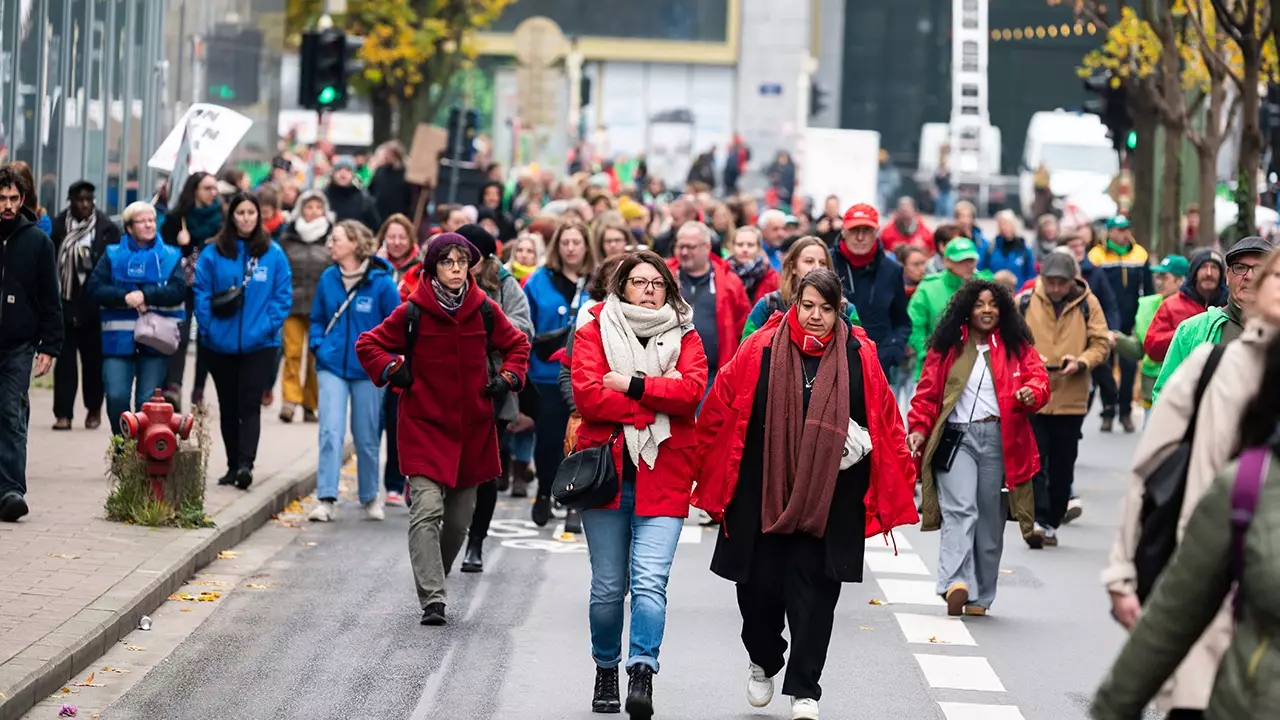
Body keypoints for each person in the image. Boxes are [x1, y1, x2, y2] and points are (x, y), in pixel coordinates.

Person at [692, 269, 917, 720]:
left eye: (827, 309)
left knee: (816, 596)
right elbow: (720, 405)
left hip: (832, 496)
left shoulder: (859, 354)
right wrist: (701, 467)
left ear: (839, 312)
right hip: (760, 491)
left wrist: (898, 468)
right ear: (794, 304)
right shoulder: (761, 347)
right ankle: (764, 659)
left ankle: (805, 689)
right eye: (808, 306)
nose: (816, 317)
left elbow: (884, 417)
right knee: (756, 593)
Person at [1099, 248, 1280, 719]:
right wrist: (1123, 573)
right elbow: (1151, 468)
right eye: (1246, 269)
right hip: (1205, 549)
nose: (1256, 277)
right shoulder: (1207, 355)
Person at [356, 233, 530, 626]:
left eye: (461, 261)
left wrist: (506, 378)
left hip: (473, 431)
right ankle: (433, 598)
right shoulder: (413, 311)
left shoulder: (484, 309)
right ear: (432, 267)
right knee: (427, 510)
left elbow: (518, 345)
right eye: (447, 262)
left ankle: (436, 573)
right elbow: (369, 345)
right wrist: (395, 371)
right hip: (424, 425)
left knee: (457, 522)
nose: (455, 268)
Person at [568, 251, 708, 717]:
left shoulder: (686, 336)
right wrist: (651, 404)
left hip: (664, 475)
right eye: (639, 282)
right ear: (621, 288)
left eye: (657, 283)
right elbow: (588, 395)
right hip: (604, 477)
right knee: (608, 587)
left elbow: (690, 393)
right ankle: (606, 665)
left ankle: (642, 670)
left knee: (650, 583)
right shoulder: (594, 329)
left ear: (669, 290)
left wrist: (628, 385)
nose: (649, 289)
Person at [907, 280, 1049, 615]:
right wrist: (917, 428)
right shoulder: (947, 347)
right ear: (966, 309)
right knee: (960, 510)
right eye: (979, 304)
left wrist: (1032, 393)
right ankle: (954, 581)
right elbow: (927, 395)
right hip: (956, 439)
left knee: (989, 519)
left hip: (1001, 440)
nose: (986, 310)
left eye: (993, 304)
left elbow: (1039, 380)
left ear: (1003, 310)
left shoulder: (1017, 346)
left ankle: (981, 596)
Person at [193, 192, 292, 491]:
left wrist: (267, 326)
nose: (246, 218)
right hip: (219, 344)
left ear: (258, 216)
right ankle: (232, 464)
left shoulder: (272, 253)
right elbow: (201, 292)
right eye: (240, 213)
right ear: (231, 216)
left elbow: (282, 295)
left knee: (249, 403)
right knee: (228, 405)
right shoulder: (213, 252)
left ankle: (246, 465)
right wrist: (208, 328)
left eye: (251, 212)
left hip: (260, 345)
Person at [305, 221, 399, 522]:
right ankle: (327, 498)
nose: (330, 245)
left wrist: (385, 360)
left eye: (336, 240)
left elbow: (396, 326)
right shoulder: (328, 277)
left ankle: (370, 496)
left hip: (369, 370)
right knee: (330, 431)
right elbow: (317, 317)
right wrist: (319, 345)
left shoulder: (382, 282)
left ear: (355, 244)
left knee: (367, 434)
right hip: (331, 364)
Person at [1017, 252, 1110, 547]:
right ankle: (1039, 521)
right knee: (1036, 462)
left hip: (1071, 396)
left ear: (1072, 280)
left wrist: (1081, 362)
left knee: (1062, 466)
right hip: (1035, 394)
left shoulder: (1088, 303)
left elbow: (1101, 342)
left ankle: (1053, 518)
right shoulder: (1026, 300)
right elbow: (1010, 340)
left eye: (1061, 283)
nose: (1055, 288)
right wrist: (1031, 359)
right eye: (1050, 282)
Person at [455, 223, 533, 572]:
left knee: (486, 471)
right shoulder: (443, 278)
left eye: (469, 256)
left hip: (493, 388)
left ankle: (476, 542)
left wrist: (487, 324)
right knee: (450, 468)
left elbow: (524, 328)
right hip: (450, 388)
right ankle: (449, 530)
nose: (460, 263)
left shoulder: (504, 284)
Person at [86, 201, 185, 435]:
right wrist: (124, 296)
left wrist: (146, 295)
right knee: (117, 396)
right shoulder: (112, 255)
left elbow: (179, 290)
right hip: (117, 341)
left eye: (152, 220)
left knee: (146, 400)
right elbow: (94, 288)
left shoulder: (170, 256)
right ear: (129, 227)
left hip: (156, 340)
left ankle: (142, 455)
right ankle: (122, 447)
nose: (150, 225)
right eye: (143, 221)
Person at [0, 166, 63, 522]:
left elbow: (49, 298)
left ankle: (11, 489)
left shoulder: (38, 242)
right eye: (2, 199)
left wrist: (50, 346)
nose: (7, 205)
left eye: (13, 199)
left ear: (23, 199)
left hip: (19, 344)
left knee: (11, 412)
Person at [524, 220, 597, 526]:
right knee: (549, 440)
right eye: (565, 242)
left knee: (580, 440)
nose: (570, 248)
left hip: (585, 373)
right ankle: (543, 490)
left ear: (586, 246)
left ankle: (572, 501)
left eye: (576, 242)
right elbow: (525, 326)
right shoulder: (538, 280)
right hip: (545, 372)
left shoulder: (596, 281)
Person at [1154, 236, 1275, 401]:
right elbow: (1165, 397)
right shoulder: (1191, 330)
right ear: (1227, 275)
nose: (1249, 276)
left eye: (1260, 269)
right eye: (1240, 268)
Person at [50, 180, 119, 431]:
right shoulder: (58, 227)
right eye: (79, 200)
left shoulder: (106, 228)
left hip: (95, 304)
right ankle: (63, 414)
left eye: (89, 199)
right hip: (65, 301)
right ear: (71, 201)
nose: (84, 204)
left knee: (93, 363)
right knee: (65, 363)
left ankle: (93, 408)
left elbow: (114, 266)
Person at [160, 172, 222, 411]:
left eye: (214, 188)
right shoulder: (178, 217)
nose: (213, 193)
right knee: (180, 334)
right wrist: (180, 243)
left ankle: (198, 390)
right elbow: (164, 249)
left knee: (206, 335)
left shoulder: (220, 219)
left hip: (211, 285)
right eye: (207, 188)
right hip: (182, 284)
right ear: (194, 189)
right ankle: (173, 386)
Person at [1087, 215, 1154, 433]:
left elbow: (1149, 290)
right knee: (1104, 370)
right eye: (1119, 230)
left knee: (1128, 368)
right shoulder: (1096, 256)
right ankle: (1108, 412)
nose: (1125, 234)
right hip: (1103, 322)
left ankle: (1125, 413)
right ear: (1109, 232)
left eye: (1127, 229)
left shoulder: (1140, 254)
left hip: (1131, 321)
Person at [667, 221, 751, 391]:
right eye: (680, 246)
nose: (684, 252)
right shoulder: (664, 276)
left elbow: (743, 328)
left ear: (707, 247)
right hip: (671, 372)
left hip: (715, 376)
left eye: (690, 247)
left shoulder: (730, 282)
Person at [830, 203, 912, 377]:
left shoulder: (892, 271)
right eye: (854, 230)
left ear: (877, 232)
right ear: (843, 231)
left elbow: (902, 322)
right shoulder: (826, 264)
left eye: (866, 230)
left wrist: (892, 352)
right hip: (831, 366)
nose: (860, 237)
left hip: (877, 369)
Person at [277, 190, 334, 424]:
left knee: (314, 357)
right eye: (308, 207)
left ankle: (311, 404)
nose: (313, 212)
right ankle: (290, 401)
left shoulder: (332, 238)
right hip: (293, 304)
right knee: (292, 353)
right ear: (301, 209)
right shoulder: (288, 237)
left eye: (317, 207)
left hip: (320, 309)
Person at [743, 236, 860, 339]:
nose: (817, 267)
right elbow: (748, 351)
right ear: (793, 267)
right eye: (809, 261)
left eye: (823, 263)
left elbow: (859, 351)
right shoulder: (768, 305)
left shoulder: (845, 309)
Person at [908, 237, 984, 378]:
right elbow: (914, 325)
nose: (968, 265)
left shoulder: (986, 286)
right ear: (947, 262)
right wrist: (925, 354)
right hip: (935, 370)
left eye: (971, 260)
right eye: (961, 261)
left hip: (977, 370)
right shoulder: (928, 288)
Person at [1143, 249, 1228, 364]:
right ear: (1194, 273)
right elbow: (1152, 347)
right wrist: (1186, 333)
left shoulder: (1230, 307)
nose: (1209, 273)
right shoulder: (1170, 305)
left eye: (1214, 267)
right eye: (1203, 267)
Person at [1130, 255, 1189, 420]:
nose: (1159, 282)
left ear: (1181, 280)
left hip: (1181, 385)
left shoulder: (1195, 308)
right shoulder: (1148, 305)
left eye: (1165, 277)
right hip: (1151, 384)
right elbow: (1139, 347)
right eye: (1158, 277)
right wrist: (1115, 340)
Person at [980, 210, 1036, 289]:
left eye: (1007, 224)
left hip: (1018, 293)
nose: (1004, 227)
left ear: (1014, 225)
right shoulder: (991, 248)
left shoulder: (1024, 249)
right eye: (1002, 224)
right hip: (995, 292)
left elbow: (1030, 275)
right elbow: (983, 271)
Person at [726, 226, 780, 306]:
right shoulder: (722, 273)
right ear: (733, 247)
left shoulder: (771, 276)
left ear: (758, 248)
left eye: (750, 245)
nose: (745, 249)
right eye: (740, 245)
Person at [325, 156, 381, 230]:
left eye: (348, 170)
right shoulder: (324, 196)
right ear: (333, 173)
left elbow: (375, 226)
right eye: (339, 169)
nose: (343, 173)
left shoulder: (363, 198)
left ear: (353, 174)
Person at [369, 140, 414, 223]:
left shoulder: (406, 174)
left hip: (399, 215)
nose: (385, 156)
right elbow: (371, 190)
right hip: (380, 214)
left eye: (388, 154)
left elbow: (410, 197)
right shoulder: (380, 171)